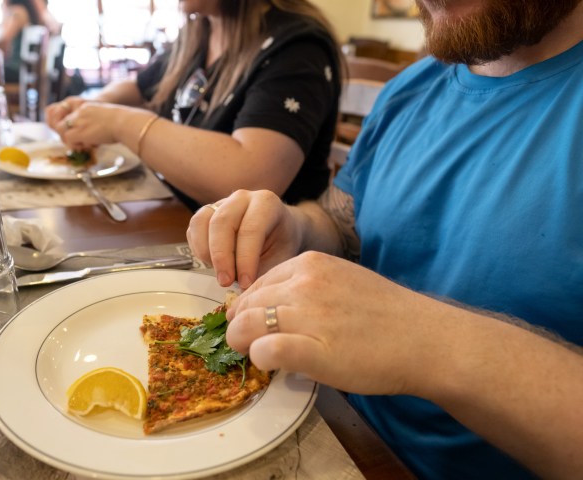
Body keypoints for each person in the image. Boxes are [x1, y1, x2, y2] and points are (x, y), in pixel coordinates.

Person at [186, 0, 583, 479]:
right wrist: (294, 228)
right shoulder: (411, 88)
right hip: (338, 428)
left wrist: (427, 341)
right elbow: (343, 220)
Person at [45, 0, 342, 210]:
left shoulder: (297, 48)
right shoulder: (199, 31)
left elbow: (251, 178)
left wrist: (120, 123)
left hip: (257, 262)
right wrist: (92, 106)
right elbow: (138, 86)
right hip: (178, 218)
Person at [0, 0, 46, 83]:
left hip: (16, 69)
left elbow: (4, 39)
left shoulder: (18, 12)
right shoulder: (21, 10)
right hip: (19, 68)